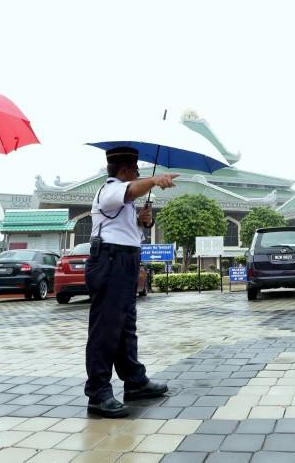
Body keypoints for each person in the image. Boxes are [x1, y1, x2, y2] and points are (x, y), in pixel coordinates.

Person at [85, 146, 178, 417]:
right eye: (136, 169)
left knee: (125, 326)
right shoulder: (110, 188)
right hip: (110, 260)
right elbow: (128, 191)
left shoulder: (123, 198)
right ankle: (98, 393)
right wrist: (154, 180)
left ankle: (134, 381)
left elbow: (123, 228)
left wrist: (140, 221)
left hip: (124, 259)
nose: (138, 173)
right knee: (106, 329)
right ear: (125, 170)